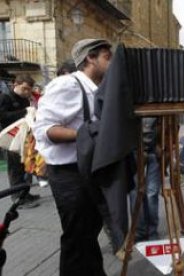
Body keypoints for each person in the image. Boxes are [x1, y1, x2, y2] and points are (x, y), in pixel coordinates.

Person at [33, 38, 112, 276]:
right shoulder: (67, 84)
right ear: (90, 58)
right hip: (68, 174)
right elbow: (44, 130)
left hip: (90, 170)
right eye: (108, 57)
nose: (113, 62)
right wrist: (89, 135)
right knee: (77, 237)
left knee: (87, 234)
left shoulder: (99, 89)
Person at [0, 74, 40, 209]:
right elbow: (3, 117)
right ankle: (17, 198)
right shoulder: (5, 97)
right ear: (15, 84)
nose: (27, 92)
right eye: (24, 89)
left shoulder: (24, 99)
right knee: (15, 170)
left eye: (29, 90)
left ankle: (25, 194)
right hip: (10, 140)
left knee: (24, 167)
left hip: (22, 138)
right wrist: (24, 111)